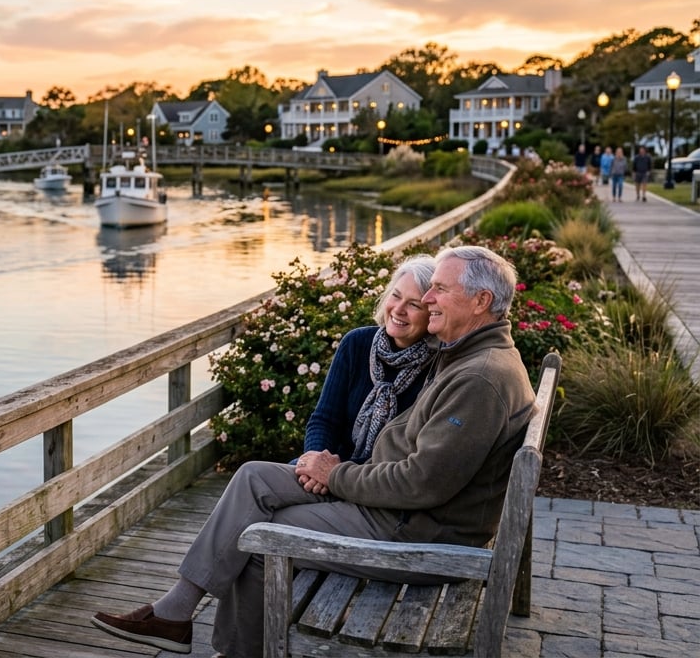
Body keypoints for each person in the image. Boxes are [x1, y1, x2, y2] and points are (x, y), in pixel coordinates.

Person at [90, 246, 534, 658]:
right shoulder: (468, 357)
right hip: (390, 504)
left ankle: (229, 649)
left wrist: (336, 475)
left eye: (438, 289)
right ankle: (176, 611)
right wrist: (321, 465)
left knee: (261, 536)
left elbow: (423, 483)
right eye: (426, 289)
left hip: (412, 530)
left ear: (479, 301)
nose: (428, 298)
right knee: (253, 477)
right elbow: (357, 436)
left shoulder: (480, 377)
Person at [298, 255, 436, 471]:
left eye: (414, 305)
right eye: (396, 296)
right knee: (253, 477)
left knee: (255, 480)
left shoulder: (437, 366)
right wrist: (316, 461)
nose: (399, 309)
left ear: (433, 314)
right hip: (324, 469)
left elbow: (408, 456)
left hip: (372, 481)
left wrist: (335, 472)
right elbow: (324, 419)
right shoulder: (357, 343)